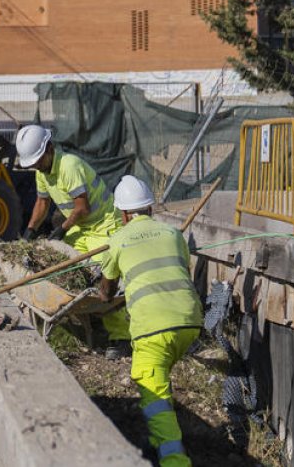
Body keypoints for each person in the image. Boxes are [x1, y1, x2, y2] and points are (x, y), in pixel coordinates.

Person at [97, 175, 204, 467]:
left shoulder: (117, 240)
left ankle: (174, 461)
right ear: (150, 209)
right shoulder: (173, 234)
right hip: (190, 323)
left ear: (123, 214)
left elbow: (106, 293)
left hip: (153, 330)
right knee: (160, 374)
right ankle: (157, 441)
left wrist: (104, 289)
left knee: (153, 392)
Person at [15, 124, 133, 358]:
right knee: (62, 262)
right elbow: (42, 203)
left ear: (49, 148)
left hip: (105, 225)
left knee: (108, 276)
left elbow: (82, 207)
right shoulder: (42, 172)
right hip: (83, 226)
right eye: (33, 163)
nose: (36, 166)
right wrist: (29, 230)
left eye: (38, 160)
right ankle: (88, 313)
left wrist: (62, 229)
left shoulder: (69, 166)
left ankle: (122, 337)